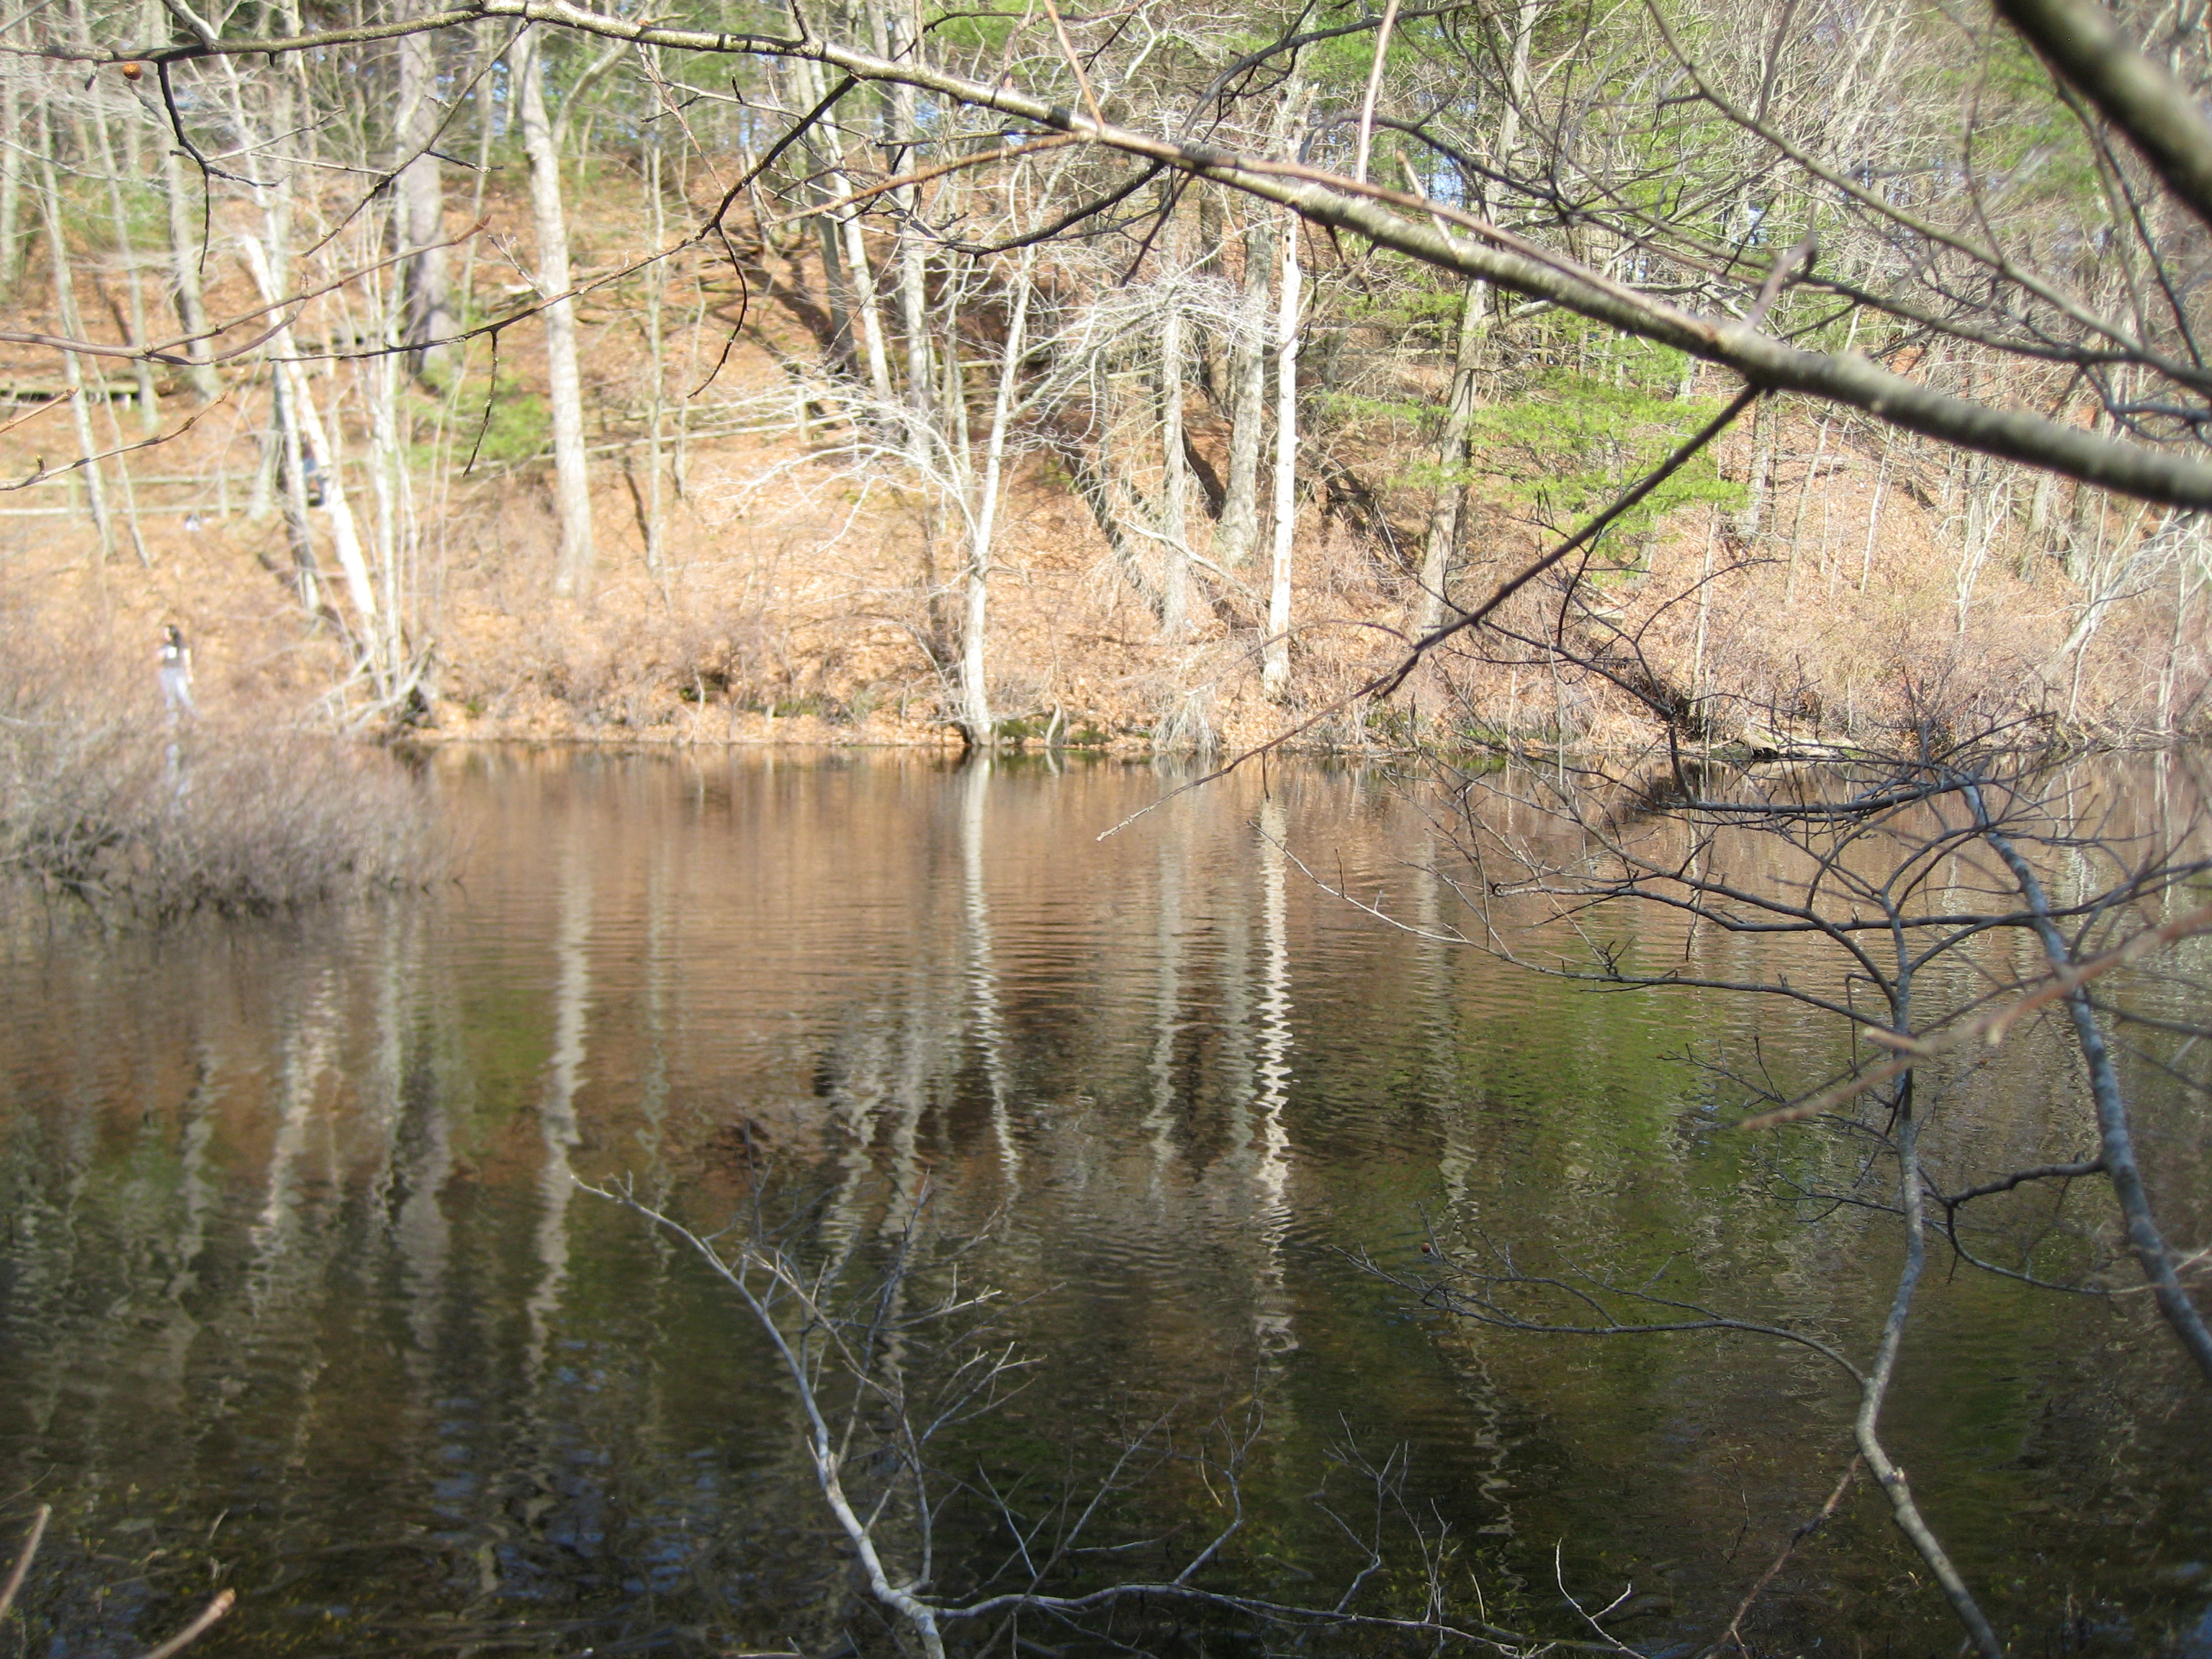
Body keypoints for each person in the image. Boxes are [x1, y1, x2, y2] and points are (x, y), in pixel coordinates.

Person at [158, 623, 196, 721]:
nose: (164, 635)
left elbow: (187, 660)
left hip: (178, 672)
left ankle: (194, 715)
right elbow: (159, 660)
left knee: (183, 694)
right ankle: (172, 719)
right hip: (167, 672)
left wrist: (189, 675)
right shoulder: (165, 646)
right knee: (170, 696)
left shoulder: (182, 645)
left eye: (166, 632)